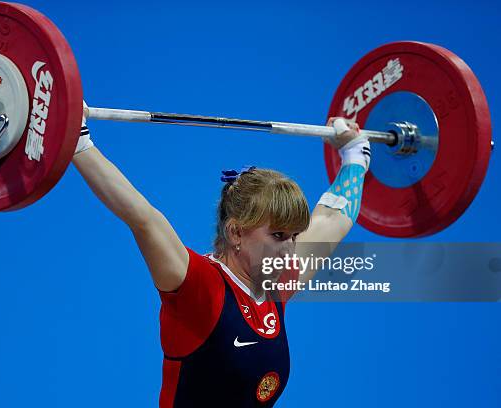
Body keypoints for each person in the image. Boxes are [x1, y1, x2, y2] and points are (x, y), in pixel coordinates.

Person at [72, 103, 370, 407]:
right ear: (236, 232)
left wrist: (355, 155)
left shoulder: (275, 283)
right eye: (278, 235)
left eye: (294, 236)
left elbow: (333, 219)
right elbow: (142, 218)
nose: (290, 248)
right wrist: (78, 141)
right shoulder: (199, 287)